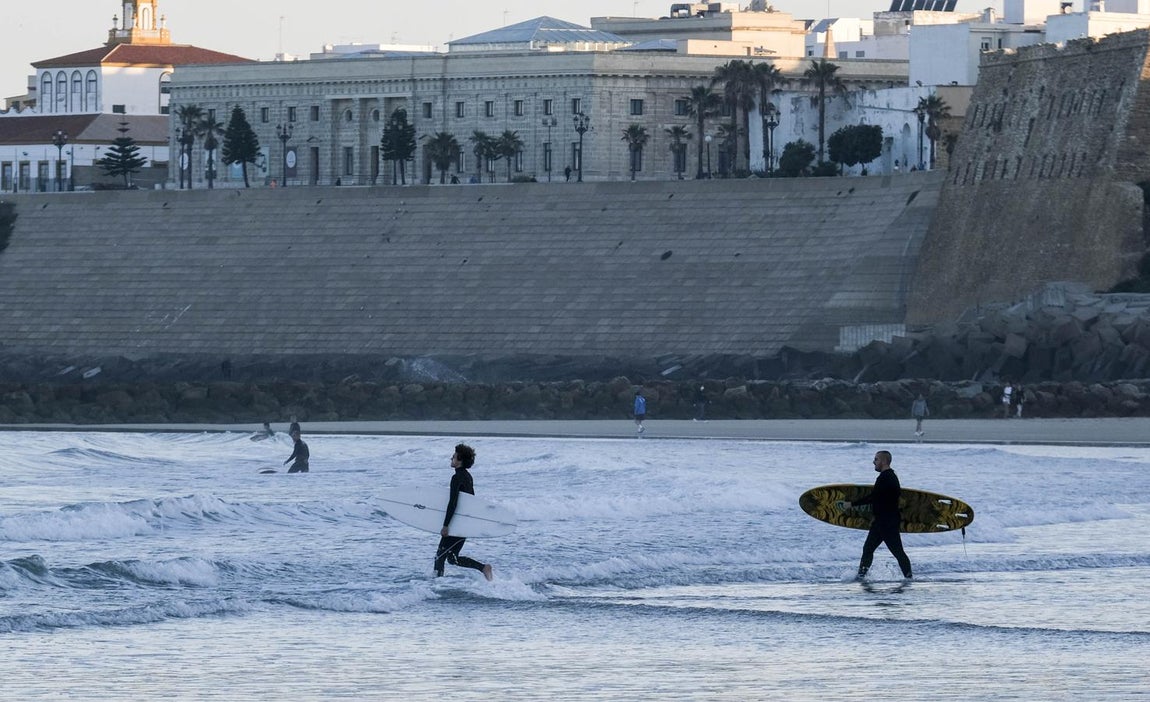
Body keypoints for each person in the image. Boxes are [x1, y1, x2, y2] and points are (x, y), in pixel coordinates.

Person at [841, 450, 912, 580]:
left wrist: (851, 504)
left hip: (887, 523)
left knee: (896, 551)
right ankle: (861, 576)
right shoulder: (890, 477)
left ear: (884, 461)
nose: (874, 462)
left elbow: (873, 497)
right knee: (868, 549)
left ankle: (909, 578)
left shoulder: (886, 477)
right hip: (882, 521)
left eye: (876, 459)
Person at [435, 443, 494, 581]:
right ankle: (484, 568)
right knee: (452, 558)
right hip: (464, 522)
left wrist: (446, 525)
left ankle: (435, 585)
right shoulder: (468, 476)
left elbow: (453, 502)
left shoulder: (456, 478)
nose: (451, 458)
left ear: (460, 459)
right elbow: (471, 501)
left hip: (457, 523)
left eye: (454, 457)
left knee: (440, 556)